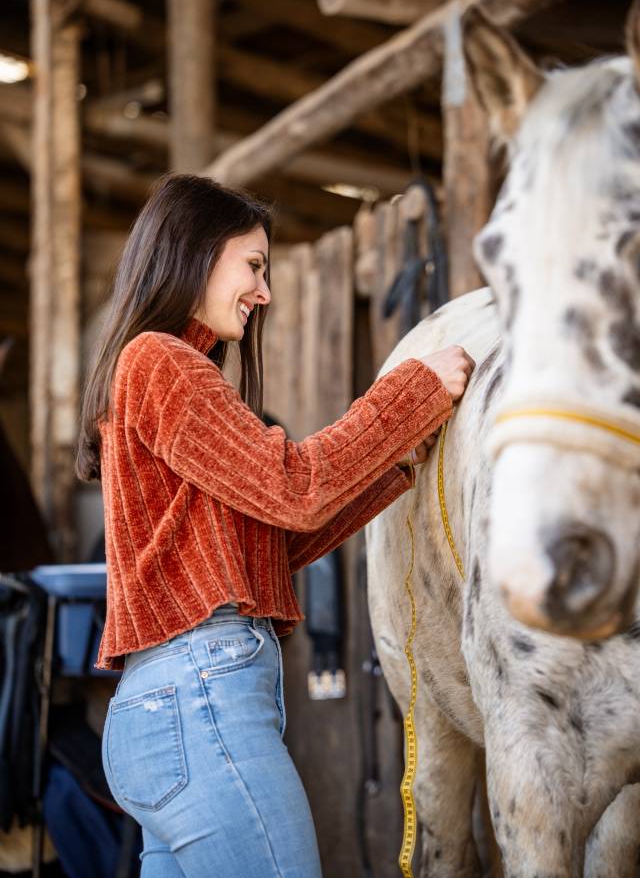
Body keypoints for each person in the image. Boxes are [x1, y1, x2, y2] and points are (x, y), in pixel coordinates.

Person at [76, 174, 474, 878]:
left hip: (167, 708)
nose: (265, 292)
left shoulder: (160, 371)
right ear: (195, 253)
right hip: (199, 697)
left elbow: (276, 538)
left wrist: (393, 461)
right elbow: (292, 488)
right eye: (254, 266)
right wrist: (410, 392)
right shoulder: (161, 361)